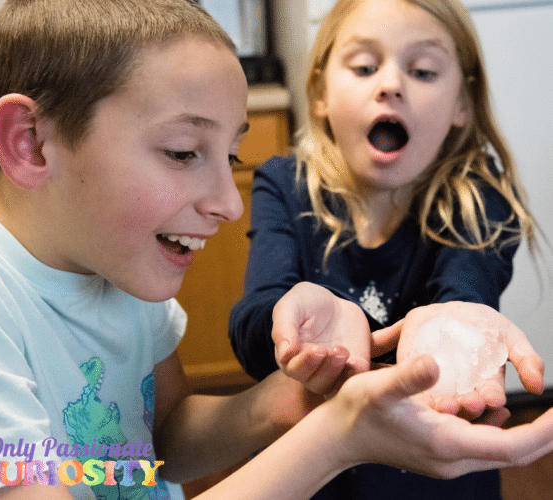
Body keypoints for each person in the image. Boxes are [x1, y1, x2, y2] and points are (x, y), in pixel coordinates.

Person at [0, 1, 553, 500]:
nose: (230, 203)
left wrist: (296, 397)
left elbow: (159, 441)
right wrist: (339, 435)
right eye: (184, 151)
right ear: (31, 142)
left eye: (231, 158)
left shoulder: (112, 263)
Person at [229, 0, 545, 498]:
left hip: (433, 468)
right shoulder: (284, 185)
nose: (391, 84)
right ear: (319, 94)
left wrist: (453, 321)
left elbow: (465, 288)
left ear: (463, 103)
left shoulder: (481, 197)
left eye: (421, 70)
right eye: (364, 66)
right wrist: (289, 329)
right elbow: (252, 328)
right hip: (311, 468)